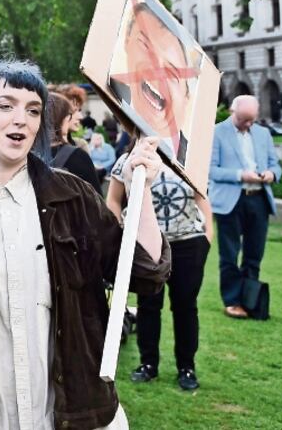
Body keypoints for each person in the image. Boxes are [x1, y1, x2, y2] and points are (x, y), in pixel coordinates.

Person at [0, 56, 170, 430]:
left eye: (33, 110)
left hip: (72, 411)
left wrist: (144, 190)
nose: (20, 119)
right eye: (5, 106)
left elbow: (145, 274)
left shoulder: (73, 196)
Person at [107, 140, 213, 390]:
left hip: (188, 244)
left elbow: (202, 198)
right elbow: (113, 200)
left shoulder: (186, 161)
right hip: (146, 246)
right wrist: (120, 231)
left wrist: (207, 237)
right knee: (148, 306)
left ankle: (187, 367)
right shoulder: (127, 160)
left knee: (186, 307)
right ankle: (148, 364)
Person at [208, 94, 281, 319]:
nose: (248, 124)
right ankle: (232, 301)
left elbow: (275, 165)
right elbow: (211, 170)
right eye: (244, 119)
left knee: (254, 255)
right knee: (229, 255)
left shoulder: (263, 133)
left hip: (258, 200)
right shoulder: (216, 132)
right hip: (231, 201)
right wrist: (240, 175)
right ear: (233, 112)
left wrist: (271, 174)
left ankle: (250, 301)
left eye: (252, 120)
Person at [108, 0, 194, 165]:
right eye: (146, 46)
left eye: (172, 73)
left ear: (186, 97)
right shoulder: (110, 90)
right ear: (127, 39)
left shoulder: (193, 162)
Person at [47, 91, 101, 192]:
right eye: (73, 111)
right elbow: (96, 201)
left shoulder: (80, 145)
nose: (80, 116)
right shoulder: (77, 155)